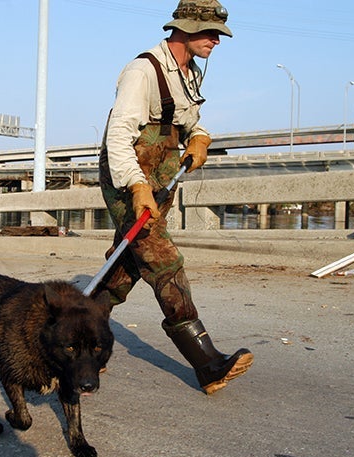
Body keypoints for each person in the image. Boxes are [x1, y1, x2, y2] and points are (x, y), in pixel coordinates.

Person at [95, 0, 252, 395]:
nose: (217, 41)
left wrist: (198, 136)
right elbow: (118, 136)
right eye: (210, 32)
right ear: (184, 28)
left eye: (220, 34)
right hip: (128, 179)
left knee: (125, 266)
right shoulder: (143, 70)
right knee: (164, 261)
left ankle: (74, 337)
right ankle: (208, 364)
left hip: (162, 177)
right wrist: (136, 186)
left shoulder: (189, 73)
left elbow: (185, 120)